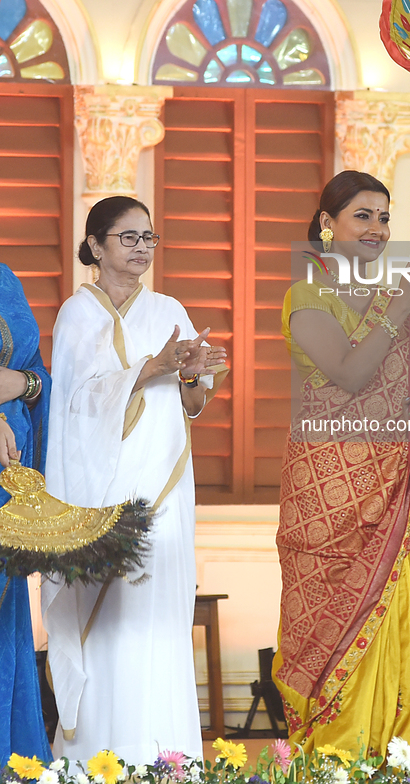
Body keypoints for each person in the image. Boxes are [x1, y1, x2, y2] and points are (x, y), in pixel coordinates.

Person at [272, 171, 410, 764]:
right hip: (330, 492)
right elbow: (348, 373)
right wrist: (401, 305)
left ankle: (393, 755)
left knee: (397, 620)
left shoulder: (400, 296)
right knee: (328, 628)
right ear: (326, 225)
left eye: (384, 217)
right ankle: (334, 761)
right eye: (362, 215)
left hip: (396, 486)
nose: (377, 228)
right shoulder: (307, 295)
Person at [42, 196, 227, 765]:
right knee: (110, 626)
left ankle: (165, 760)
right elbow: (76, 405)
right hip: (98, 495)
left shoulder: (168, 306)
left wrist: (197, 374)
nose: (142, 247)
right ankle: (98, 762)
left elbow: (191, 403)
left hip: (164, 492)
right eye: (129, 237)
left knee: (157, 623)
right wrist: (153, 367)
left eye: (148, 237)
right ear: (96, 246)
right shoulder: (77, 313)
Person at [0, 263, 52, 766]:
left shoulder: (6, 279)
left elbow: (37, 376)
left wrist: (26, 384)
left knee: (8, 624)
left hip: (8, 481)